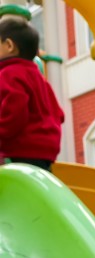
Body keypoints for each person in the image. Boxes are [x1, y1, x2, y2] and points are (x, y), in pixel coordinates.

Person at [0, 16, 63, 172]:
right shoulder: (38, 77)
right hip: (47, 150)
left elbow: (14, 113)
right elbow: (59, 114)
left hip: (23, 147)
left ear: (9, 46)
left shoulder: (9, 73)